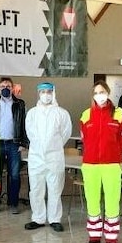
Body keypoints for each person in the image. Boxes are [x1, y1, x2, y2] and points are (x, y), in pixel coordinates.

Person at [80, 80, 122, 243]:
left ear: (108, 93)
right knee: (92, 201)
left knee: (112, 202)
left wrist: (113, 156)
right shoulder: (85, 115)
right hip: (90, 165)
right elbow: (85, 139)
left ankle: (111, 239)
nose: (99, 95)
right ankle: (94, 237)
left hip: (111, 165)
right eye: (96, 92)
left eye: (102, 91)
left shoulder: (119, 114)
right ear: (93, 95)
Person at [24, 82, 72, 232]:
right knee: (36, 188)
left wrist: (53, 146)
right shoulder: (32, 113)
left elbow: (66, 133)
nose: (46, 94)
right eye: (43, 91)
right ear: (38, 94)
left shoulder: (62, 113)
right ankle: (38, 218)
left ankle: (54, 219)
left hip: (54, 157)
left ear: (54, 93)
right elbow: (30, 133)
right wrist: (41, 147)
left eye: (49, 91)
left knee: (55, 188)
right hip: (36, 157)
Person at [0, 77, 28, 215]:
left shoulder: (20, 104)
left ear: (12, 88)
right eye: (3, 86)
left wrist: (24, 143)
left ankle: (13, 203)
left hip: (14, 144)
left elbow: (24, 124)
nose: (5, 88)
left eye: (8, 86)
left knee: (15, 175)